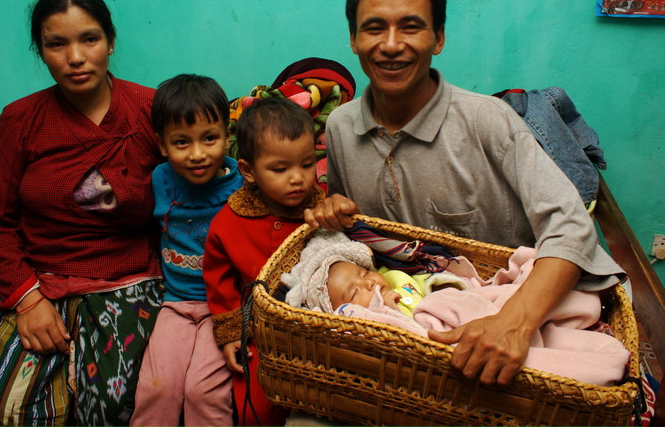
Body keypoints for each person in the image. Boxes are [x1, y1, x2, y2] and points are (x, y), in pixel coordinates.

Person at [304, 0, 625, 386]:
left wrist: (514, 321)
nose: (391, 45)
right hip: (408, 326)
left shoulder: (488, 121)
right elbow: (357, 237)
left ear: (438, 38)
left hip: (501, 319)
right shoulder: (341, 127)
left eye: (412, 27)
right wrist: (331, 211)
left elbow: (571, 226)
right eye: (374, 28)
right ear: (353, 39)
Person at [0, 0, 163, 426]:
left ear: (111, 41)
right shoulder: (20, 119)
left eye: (89, 39)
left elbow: (198, 187)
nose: (75, 57)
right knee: (8, 412)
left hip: (129, 277)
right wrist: (25, 299)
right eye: (56, 43)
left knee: (115, 408)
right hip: (42, 281)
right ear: (41, 51)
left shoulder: (152, 110)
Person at [282, 230, 630, 387]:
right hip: (437, 334)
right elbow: (403, 330)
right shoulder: (367, 315)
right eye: (354, 291)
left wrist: (467, 290)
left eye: (363, 274)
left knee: (525, 278)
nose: (369, 286)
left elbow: (447, 288)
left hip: (473, 308)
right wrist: (383, 308)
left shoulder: (395, 275)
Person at [203, 98, 325, 426]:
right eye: (280, 169)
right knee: (254, 409)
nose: (298, 178)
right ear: (248, 171)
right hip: (260, 335)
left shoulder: (321, 210)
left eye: (307, 163)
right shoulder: (229, 222)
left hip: (320, 333)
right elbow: (218, 279)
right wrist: (231, 334)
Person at [130, 74, 243, 426]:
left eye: (209, 138)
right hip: (175, 304)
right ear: (162, 146)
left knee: (203, 392)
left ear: (227, 135)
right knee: (156, 388)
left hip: (222, 308)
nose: (197, 154)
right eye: (181, 142)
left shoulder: (244, 188)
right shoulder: (161, 180)